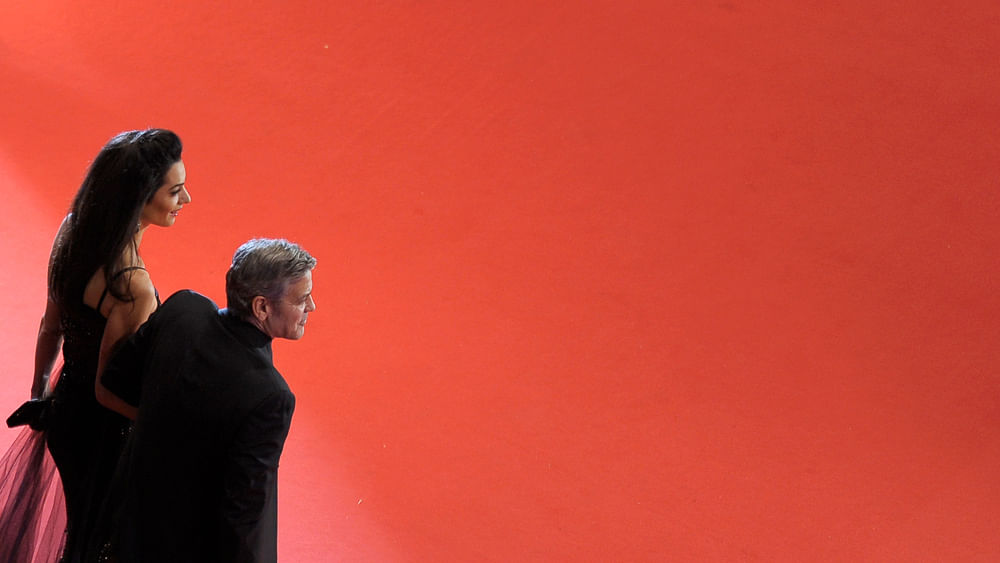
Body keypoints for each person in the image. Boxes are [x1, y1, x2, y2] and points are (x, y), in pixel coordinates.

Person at [0, 129, 190, 563]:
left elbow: (51, 328)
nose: (187, 200)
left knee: (83, 531)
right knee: (102, 543)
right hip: (105, 434)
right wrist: (168, 425)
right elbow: (109, 390)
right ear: (139, 198)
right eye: (175, 191)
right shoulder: (131, 286)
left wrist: (40, 393)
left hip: (66, 415)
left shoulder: (72, 232)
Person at [99, 238, 316, 563]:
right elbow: (246, 513)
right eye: (301, 299)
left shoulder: (183, 308)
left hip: (124, 521)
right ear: (262, 307)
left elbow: (117, 381)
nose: (311, 307)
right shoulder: (271, 395)